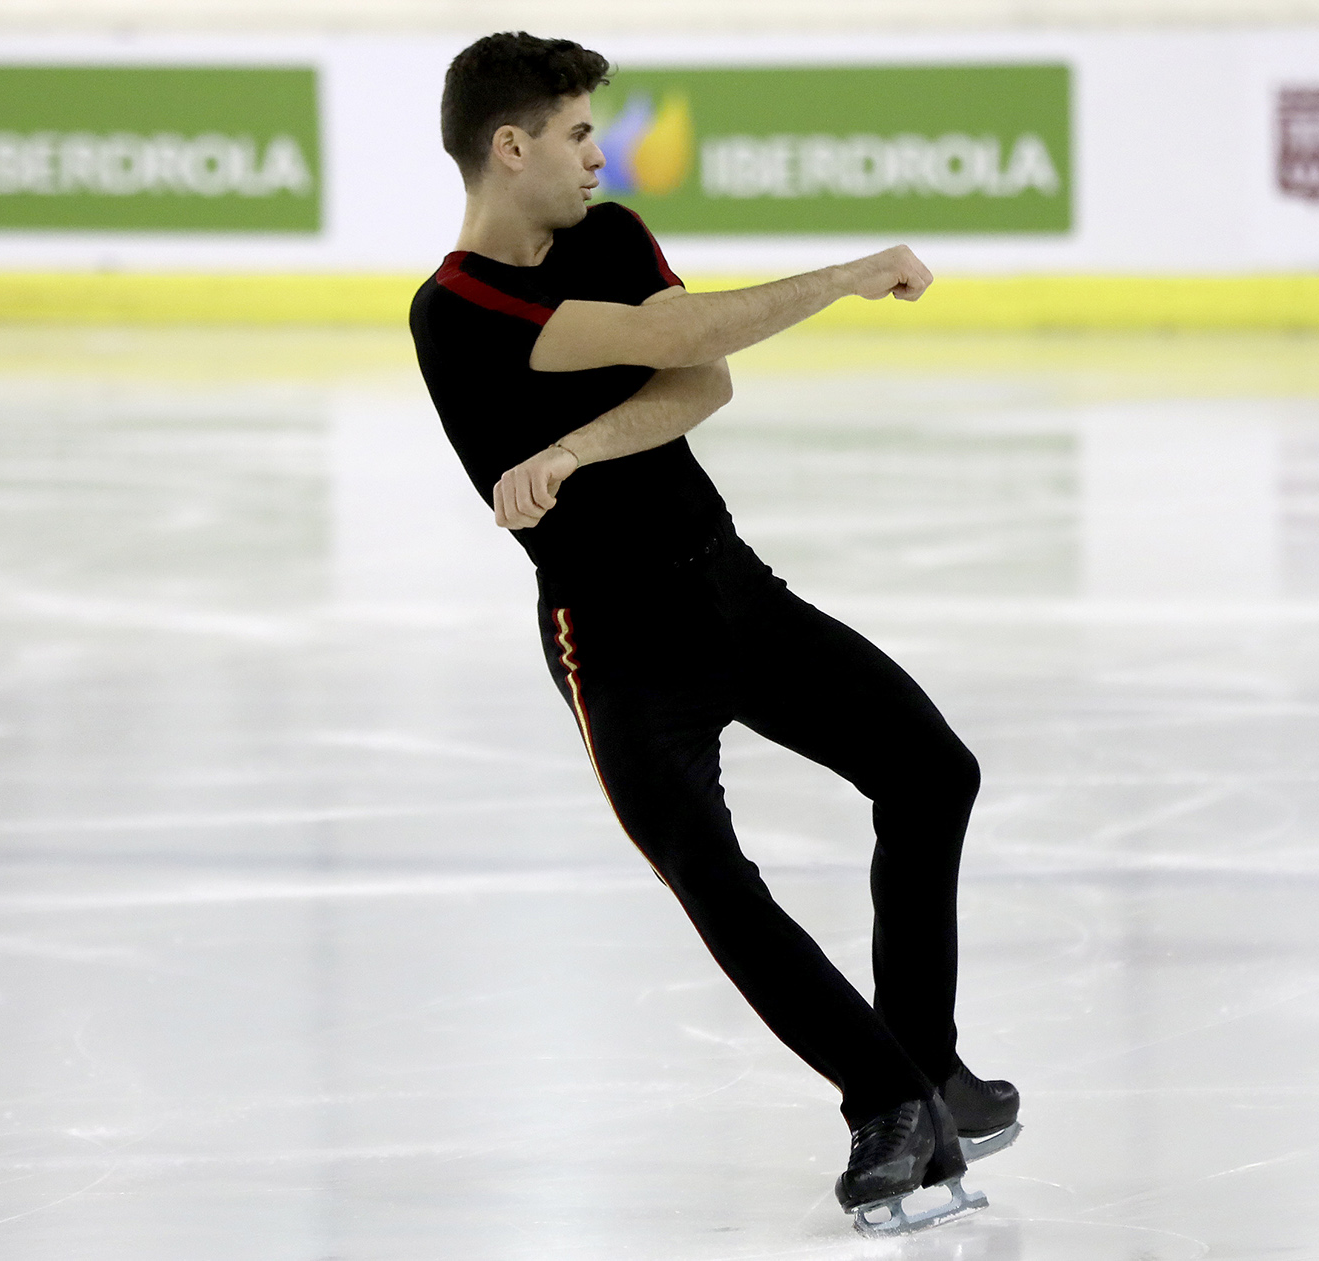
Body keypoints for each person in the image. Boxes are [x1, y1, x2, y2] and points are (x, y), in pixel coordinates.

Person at [406, 31, 1021, 1236]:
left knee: (929, 770)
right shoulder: (457, 310)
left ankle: (926, 1064)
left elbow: (703, 383)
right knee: (710, 875)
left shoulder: (612, 236)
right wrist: (845, 276)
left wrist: (575, 446)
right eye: (577, 133)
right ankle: (883, 1101)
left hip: (727, 584)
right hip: (613, 643)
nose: (599, 154)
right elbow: (677, 343)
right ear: (509, 145)